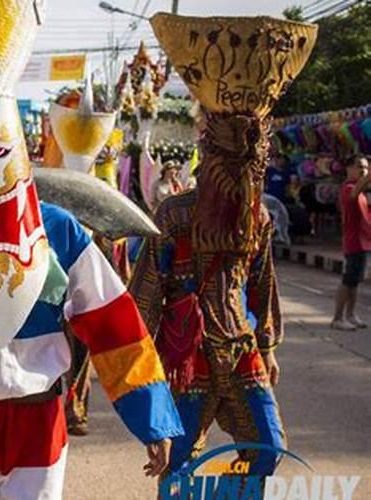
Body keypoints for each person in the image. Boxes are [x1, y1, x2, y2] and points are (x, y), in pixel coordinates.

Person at [130, 111, 286, 490]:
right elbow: (147, 291)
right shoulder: (174, 213)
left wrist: (267, 346)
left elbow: (261, 283)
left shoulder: (257, 218)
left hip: (240, 348)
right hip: (188, 356)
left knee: (268, 448)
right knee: (177, 459)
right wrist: (140, 367)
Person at [331, 155, 371, 331]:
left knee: (355, 281)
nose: (363, 171)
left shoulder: (361, 191)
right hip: (354, 242)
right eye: (359, 167)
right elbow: (354, 194)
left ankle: (351, 314)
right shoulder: (348, 188)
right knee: (348, 280)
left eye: (366, 168)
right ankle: (337, 318)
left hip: (364, 243)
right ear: (349, 168)